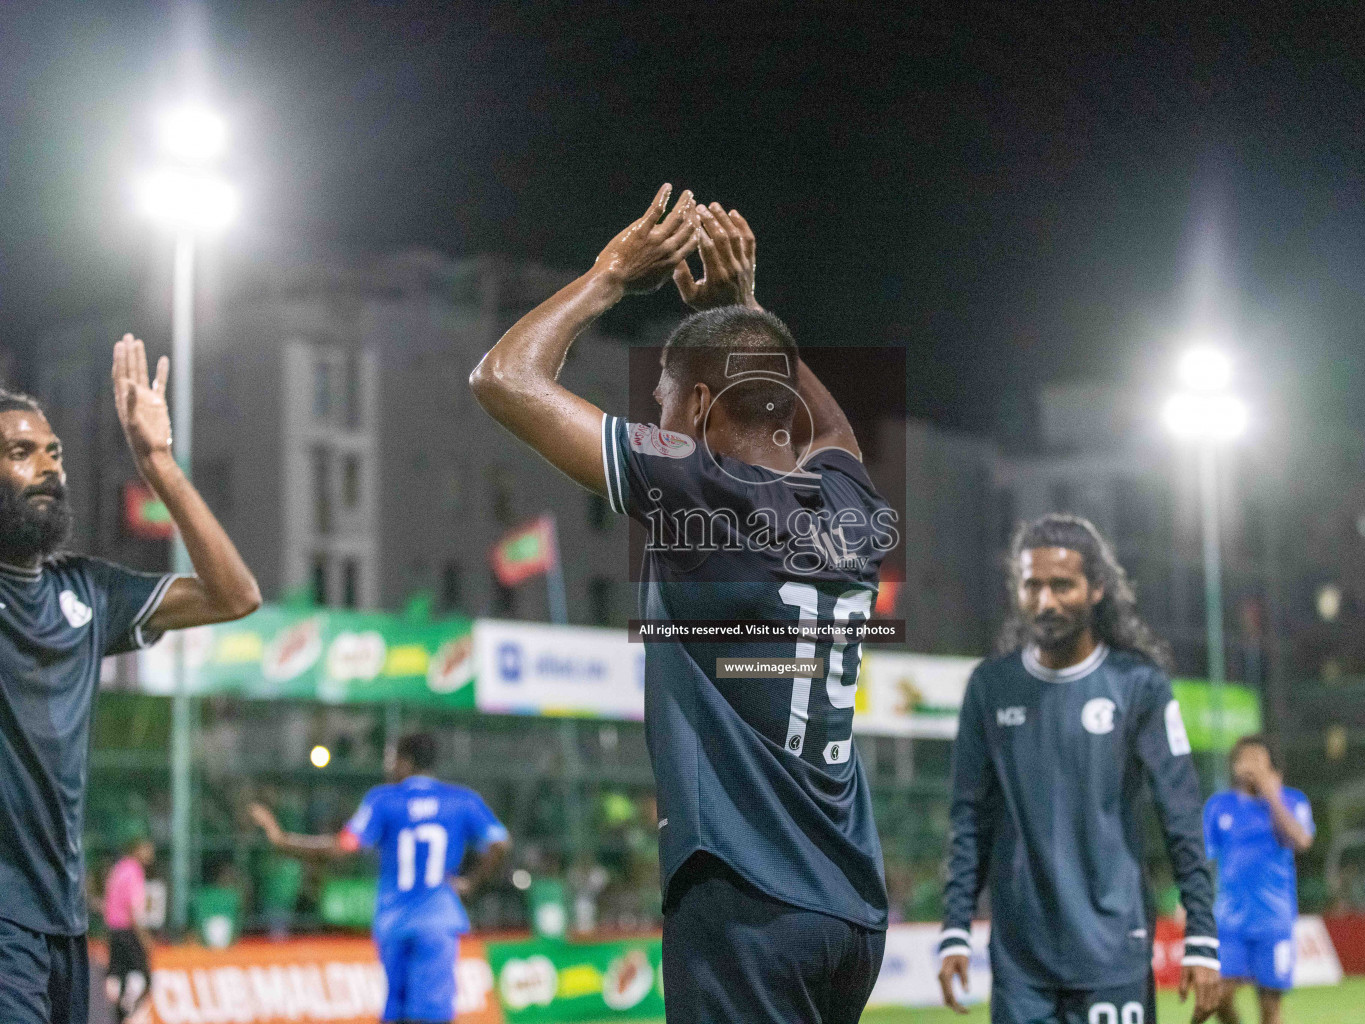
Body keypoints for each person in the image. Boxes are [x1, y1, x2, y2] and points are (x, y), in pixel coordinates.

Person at [469, 186, 895, 1023]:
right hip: (849, 910)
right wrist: (747, 311)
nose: (653, 415)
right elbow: (832, 432)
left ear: (696, 409)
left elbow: (503, 378)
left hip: (750, 899)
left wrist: (608, 277)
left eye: (660, 398)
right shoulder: (851, 508)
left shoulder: (697, 488)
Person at [0, 336, 261, 1024]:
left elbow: (234, 596)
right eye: (20, 453)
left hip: (62, 922)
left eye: (53, 452)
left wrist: (158, 463)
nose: (47, 468)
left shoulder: (86, 592)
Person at [938, 514, 1221, 1024]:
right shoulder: (989, 688)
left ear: (1097, 590)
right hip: (1021, 961)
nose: (1045, 601)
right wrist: (955, 926)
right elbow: (968, 819)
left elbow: (1180, 816)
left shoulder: (1139, 686)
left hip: (1114, 950)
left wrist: (1201, 932)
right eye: (1032, 586)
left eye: (1062, 585)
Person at [249, 733, 510, 1024]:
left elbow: (342, 847)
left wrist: (282, 840)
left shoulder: (384, 800)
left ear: (406, 762)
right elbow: (500, 843)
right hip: (438, 922)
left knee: (396, 1014)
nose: (389, 767)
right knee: (432, 1015)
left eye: (392, 759)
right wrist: (470, 882)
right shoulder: (461, 800)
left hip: (394, 922)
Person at [1203, 736, 1314, 1024]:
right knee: (1220, 996)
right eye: (1244, 758)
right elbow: (1203, 858)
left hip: (1273, 920)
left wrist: (1272, 797)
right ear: (1234, 766)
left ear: (1270, 766)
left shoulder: (1292, 799)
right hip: (1229, 920)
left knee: (1270, 1008)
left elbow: (1300, 840)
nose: (1249, 765)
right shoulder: (1218, 807)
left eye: (1257, 759)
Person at [101, 836, 155, 1024]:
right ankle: (129, 1015)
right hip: (128, 931)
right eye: (147, 847)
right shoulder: (134, 870)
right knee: (146, 978)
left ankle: (120, 1014)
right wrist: (145, 937)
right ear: (137, 848)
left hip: (114, 932)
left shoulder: (119, 868)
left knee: (120, 975)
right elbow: (134, 909)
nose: (151, 852)